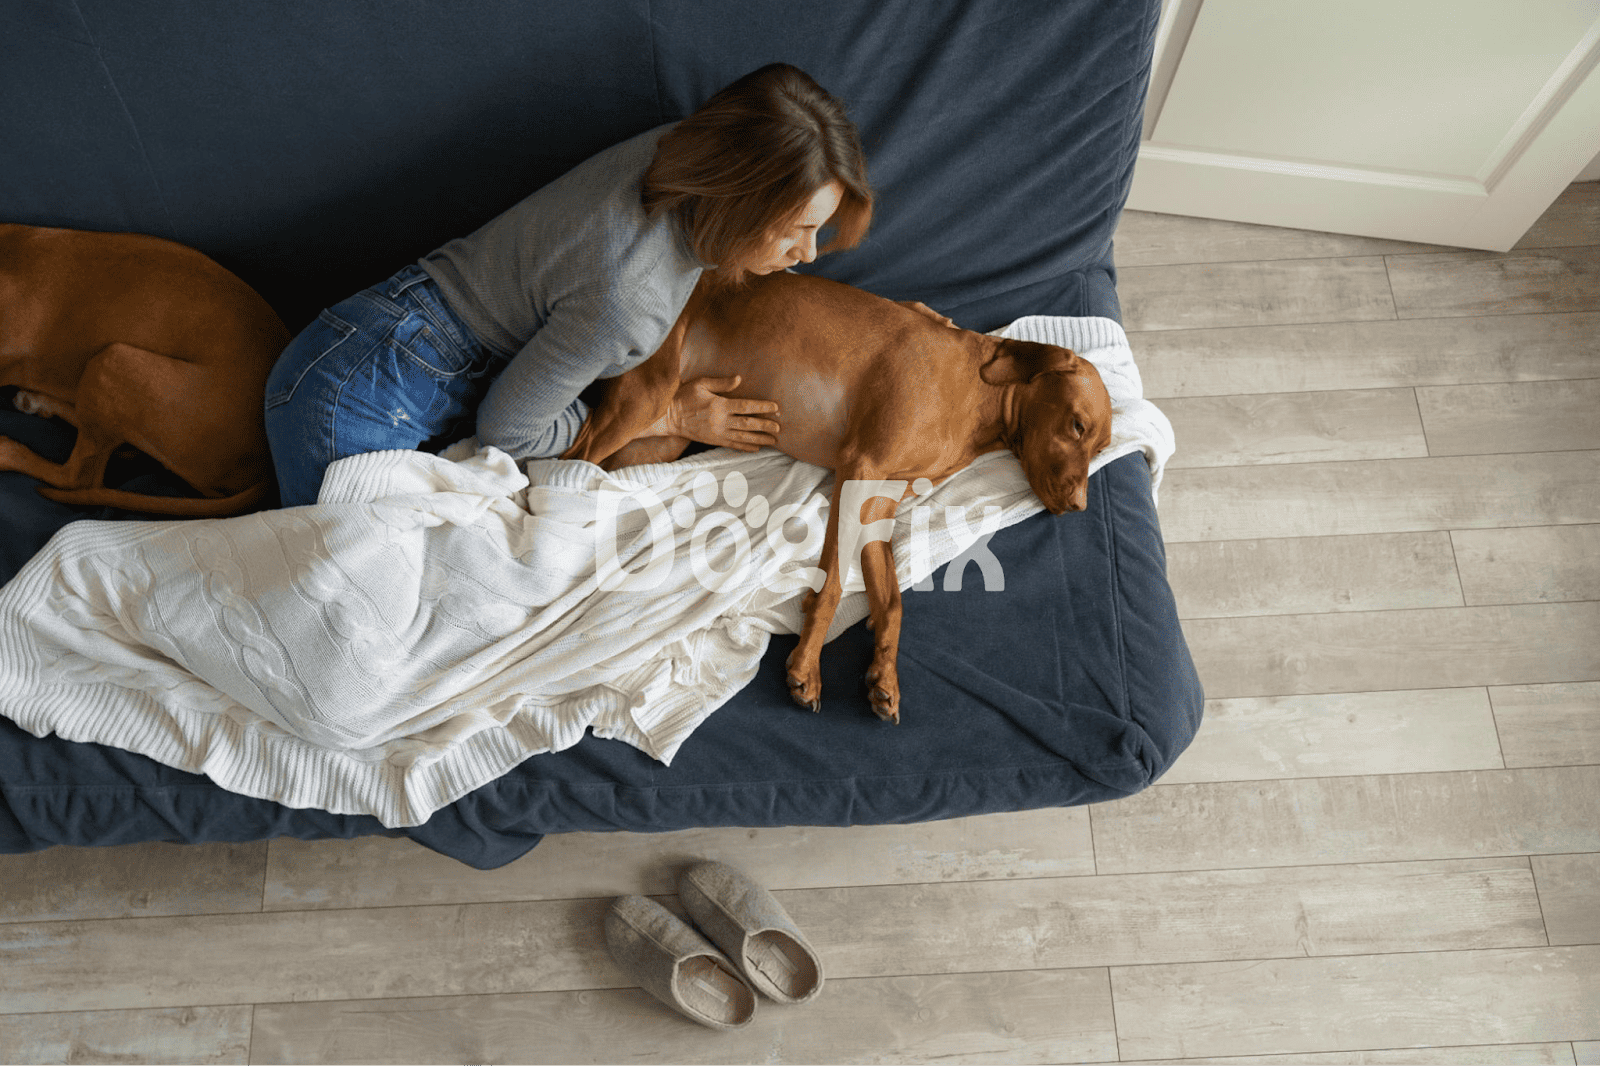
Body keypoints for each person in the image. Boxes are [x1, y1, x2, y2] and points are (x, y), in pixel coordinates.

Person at [263, 63, 874, 507]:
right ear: (737, 200)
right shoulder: (628, 299)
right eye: (796, 230)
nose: (807, 254)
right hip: (358, 400)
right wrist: (666, 415)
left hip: (371, 342)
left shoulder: (683, 147)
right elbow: (510, 433)